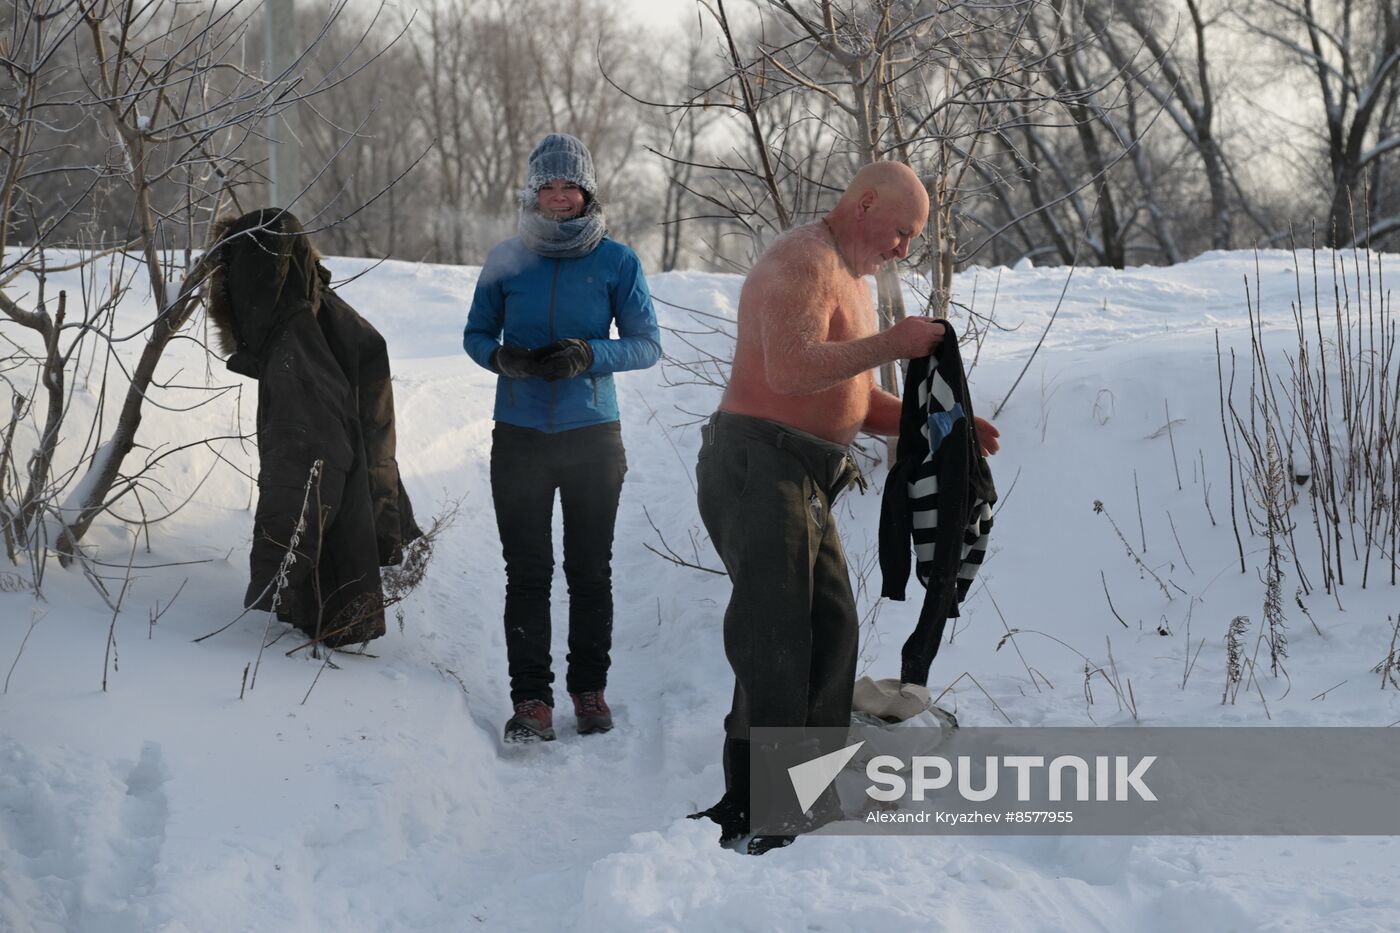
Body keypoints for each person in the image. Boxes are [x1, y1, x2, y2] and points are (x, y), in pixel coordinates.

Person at [688, 161, 1000, 852]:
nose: (904, 250)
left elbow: (852, 403)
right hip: (757, 462)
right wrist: (895, 343)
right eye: (901, 232)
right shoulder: (800, 260)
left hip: (797, 471)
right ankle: (763, 808)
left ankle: (785, 795)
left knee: (828, 629)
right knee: (780, 638)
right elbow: (789, 367)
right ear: (864, 203)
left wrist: (948, 428)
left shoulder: (850, 283)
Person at [464, 133, 662, 744]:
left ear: (586, 192)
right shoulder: (505, 260)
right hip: (520, 435)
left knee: (588, 572)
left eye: (567, 185)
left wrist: (588, 353)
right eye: (545, 186)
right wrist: (504, 361)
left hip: (592, 438)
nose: (556, 197)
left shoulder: (617, 261)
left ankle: (588, 691)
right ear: (532, 191)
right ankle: (532, 701)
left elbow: (646, 344)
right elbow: (475, 336)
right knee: (526, 572)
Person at [207, 208, 422, 649]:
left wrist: (275, 569)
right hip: (350, 523)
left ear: (244, 285)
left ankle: (326, 610)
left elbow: (302, 464)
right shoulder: (321, 312)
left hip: (336, 576)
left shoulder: (294, 346)